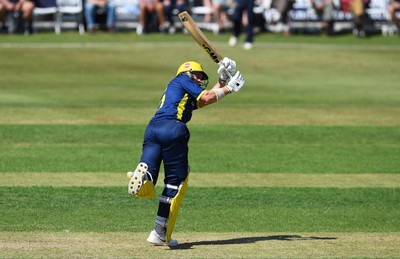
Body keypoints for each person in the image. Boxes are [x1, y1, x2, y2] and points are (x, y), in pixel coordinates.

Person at [126, 58, 245, 246]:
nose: (199, 80)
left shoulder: (179, 91)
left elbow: (204, 100)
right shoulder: (183, 80)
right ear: (188, 74)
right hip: (173, 129)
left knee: (150, 175)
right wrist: (230, 88)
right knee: (176, 183)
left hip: (153, 129)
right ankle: (159, 232)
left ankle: (143, 176)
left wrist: (222, 81)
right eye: (198, 76)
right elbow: (206, 97)